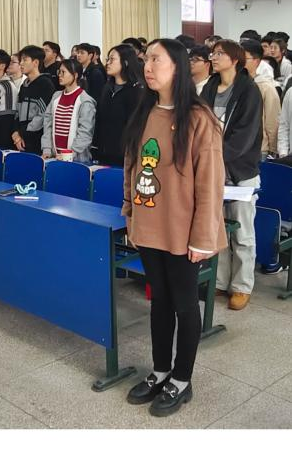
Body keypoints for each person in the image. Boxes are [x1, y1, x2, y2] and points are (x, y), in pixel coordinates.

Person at [122, 39, 225, 417]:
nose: (147, 67)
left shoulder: (199, 118)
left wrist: (202, 237)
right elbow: (132, 166)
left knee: (184, 303)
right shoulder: (145, 111)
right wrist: (130, 212)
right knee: (159, 301)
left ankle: (182, 379)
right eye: (146, 60)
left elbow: (210, 185)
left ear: (177, 68)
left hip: (184, 232)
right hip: (149, 225)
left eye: (156, 60)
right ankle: (161, 370)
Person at [199, 40, 263, 311]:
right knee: (218, 229)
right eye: (212, 53)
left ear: (235, 59)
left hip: (240, 172)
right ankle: (220, 280)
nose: (213, 57)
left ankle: (242, 286)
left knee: (243, 233)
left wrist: (213, 157)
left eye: (219, 54)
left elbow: (243, 137)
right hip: (213, 170)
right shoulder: (210, 87)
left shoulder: (249, 91)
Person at [92, 44, 145, 166]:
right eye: (107, 59)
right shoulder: (107, 88)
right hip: (104, 151)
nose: (107, 63)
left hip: (125, 154)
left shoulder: (136, 90)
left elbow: (135, 126)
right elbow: (99, 118)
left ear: (125, 62)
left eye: (112, 59)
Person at [39, 59, 97, 164]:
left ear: (75, 75)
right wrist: (47, 149)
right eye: (59, 72)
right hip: (55, 156)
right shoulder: (56, 96)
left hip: (77, 159)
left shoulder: (84, 100)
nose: (59, 75)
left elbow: (85, 132)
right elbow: (48, 124)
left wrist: (70, 153)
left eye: (63, 72)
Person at [240, 40, 280, 157]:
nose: (238, 62)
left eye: (244, 58)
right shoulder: (234, 84)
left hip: (259, 149)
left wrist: (273, 149)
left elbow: (272, 121)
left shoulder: (266, 87)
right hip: (237, 147)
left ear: (256, 61)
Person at [12, 45, 54, 155]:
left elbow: (43, 115)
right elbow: (17, 112)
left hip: (36, 140)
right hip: (21, 139)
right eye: (20, 60)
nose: (21, 63)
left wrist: (22, 133)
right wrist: (16, 132)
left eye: (25, 60)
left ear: (35, 62)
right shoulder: (24, 85)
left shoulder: (45, 84)